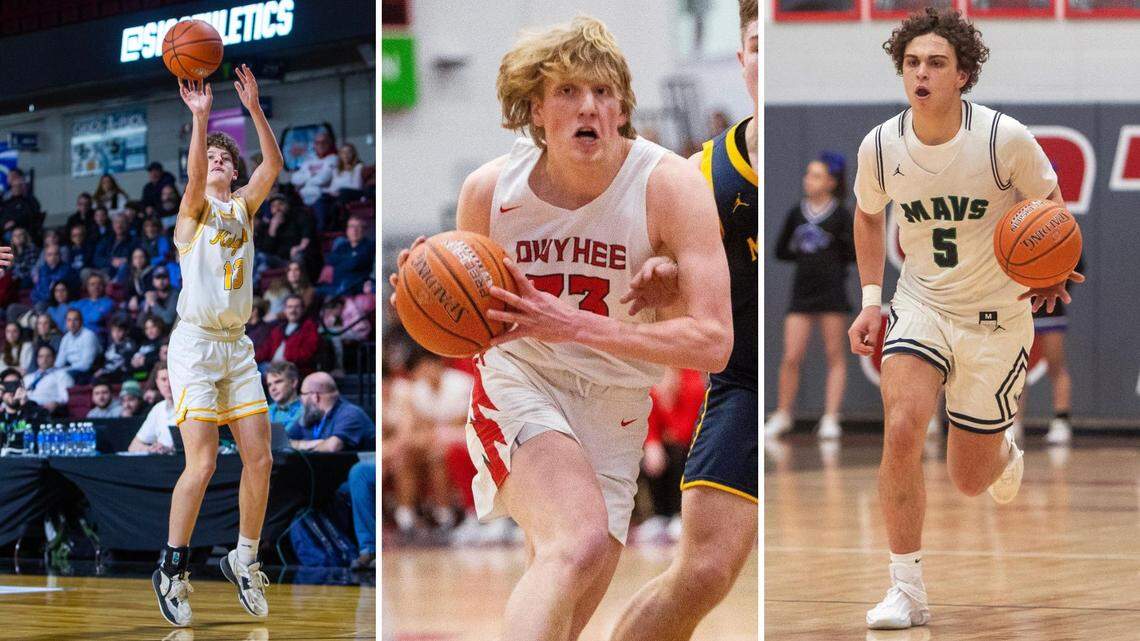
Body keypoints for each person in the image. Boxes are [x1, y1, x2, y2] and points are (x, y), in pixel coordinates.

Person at [389, 16, 732, 640]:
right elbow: (467, 325)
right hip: (522, 382)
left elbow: (713, 342)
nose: (590, 108)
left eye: (603, 93)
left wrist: (575, 323)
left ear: (623, 107)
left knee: (583, 561)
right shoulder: (490, 192)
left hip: (617, 403)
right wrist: (419, 295)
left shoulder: (668, 185)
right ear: (534, 110)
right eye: (569, 92)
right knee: (575, 542)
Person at [846, 9, 1082, 630]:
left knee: (969, 480)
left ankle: (1001, 450)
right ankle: (906, 589)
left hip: (997, 319)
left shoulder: (1004, 139)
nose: (921, 74)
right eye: (912, 63)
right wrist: (873, 299)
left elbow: (1051, 209)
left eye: (936, 63)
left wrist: (1052, 266)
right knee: (900, 427)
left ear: (964, 75)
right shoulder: (881, 145)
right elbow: (868, 215)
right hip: (922, 303)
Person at [609, 2, 758, 638]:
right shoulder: (700, 172)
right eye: (759, 42)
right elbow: (673, 297)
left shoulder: (859, 150)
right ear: (742, 55)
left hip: (850, 364)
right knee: (701, 572)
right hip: (745, 383)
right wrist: (666, 280)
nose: (769, 56)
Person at [152, 65, 283, 628]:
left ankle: (244, 556)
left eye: (228, 159)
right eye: (213, 159)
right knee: (202, 463)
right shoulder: (193, 214)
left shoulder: (243, 209)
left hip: (237, 346)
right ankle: (172, 568)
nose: (221, 163)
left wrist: (253, 109)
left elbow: (273, 166)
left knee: (261, 458)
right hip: (196, 347)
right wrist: (202, 122)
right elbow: (191, 177)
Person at [766, 152, 855, 440]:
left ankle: (831, 417)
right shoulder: (796, 212)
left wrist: (829, 254)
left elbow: (853, 253)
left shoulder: (842, 214)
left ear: (830, 182)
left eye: (816, 175)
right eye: (808, 174)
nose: (809, 179)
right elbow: (780, 250)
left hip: (832, 292)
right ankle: (783, 413)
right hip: (802, 293)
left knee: (834, 354)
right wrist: (806, 252)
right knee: (791, 355)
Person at [1010, 257, 1084, 444]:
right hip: (1019, 306)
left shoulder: (1060, 229)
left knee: (1056, 366)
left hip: (1051, 308)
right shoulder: (1011, 230)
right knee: (1017, 369)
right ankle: (1014, 423)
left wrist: (1058, 283)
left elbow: (1078, 262)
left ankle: (1061, 421)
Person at [290, 371, 373, 452]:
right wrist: (304, 445)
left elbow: (333, 447)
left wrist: (298, 445)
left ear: (315, 396)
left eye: (303, 394)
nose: (300, 399)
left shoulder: (350, 414)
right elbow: (284, 443)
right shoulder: (311, 415)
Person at [254, 294, 319, 374]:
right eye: (290, 307)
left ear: (303, 309)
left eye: (297, 307)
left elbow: (306, 354)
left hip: (293, 370)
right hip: (272, 367)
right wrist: (251, 359)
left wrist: (284, 361)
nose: (293, 311)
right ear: (285, 310)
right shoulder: (278, 329)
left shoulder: (310, 328)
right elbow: (266, 349)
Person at [321, 215, 373, 297]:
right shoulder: (342, 246)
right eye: (351, 227)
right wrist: (351, 258)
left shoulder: (370, 246)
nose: (354, 230)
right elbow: (330, 260)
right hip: (336, 285)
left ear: (364, 230)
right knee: (315, 291)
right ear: (347, 230)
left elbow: (355, 263)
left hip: (354, 286)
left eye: (358, 227)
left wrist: (344, 260)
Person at [129, 362, 175, 454]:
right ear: (157, 382)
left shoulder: (192, 406)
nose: (168, 384)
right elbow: (133, 446)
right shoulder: (158, 409)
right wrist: (151, 449)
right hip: (162, 464)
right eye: (163, 379)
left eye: (172, 378)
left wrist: (171, 450)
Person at [0, 368, 49, 450]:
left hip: (26, 460)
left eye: (15, 385)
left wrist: (25, 404)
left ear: (22, 387)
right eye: (7, 386)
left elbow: (42, 429)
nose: (12, 391)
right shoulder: (1, 416)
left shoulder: (34, 411)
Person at [24, 344, 72, 415]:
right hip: (26, 409)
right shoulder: (27, 378)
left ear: (54, 358)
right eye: (41, 356)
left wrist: (56, 403)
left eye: (48, 356)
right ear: (37, 359)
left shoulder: (62, 375)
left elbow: (65, 397)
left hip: (46, 409)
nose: (44, 360)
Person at [55, 309, 99, 383]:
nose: (72, 323)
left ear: (81, 321)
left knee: (64, 376)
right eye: (69, 320)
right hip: (70, 370)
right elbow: (59, 362)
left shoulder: (89, 335)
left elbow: (86, 365)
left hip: (86, 372)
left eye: (75, 320)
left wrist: (65, 370)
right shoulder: (66, 338)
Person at [265, 361, 302, 431]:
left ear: (293, 382)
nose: (272, 388)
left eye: (278, 382)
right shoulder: (265, 412)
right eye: (269, 385)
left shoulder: (306, 409)